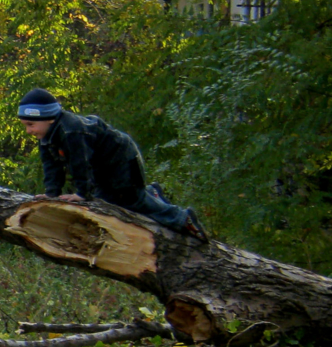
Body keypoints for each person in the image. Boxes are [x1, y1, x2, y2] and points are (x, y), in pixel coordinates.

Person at [17, 88, 208, 240]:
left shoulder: (72, 131)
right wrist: (52, 193)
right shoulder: (48, 136)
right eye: (25, 125)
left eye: (30, 124)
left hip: (121, 158)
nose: (28, 130)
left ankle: (182, 218)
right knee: (107, 204)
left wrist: (81, 193)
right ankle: (153, 193)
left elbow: (80, 164)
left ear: (47, 118)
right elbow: (52, 167)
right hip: (102, 166)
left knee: (132, 199)